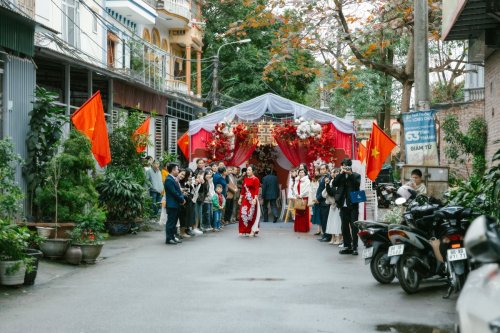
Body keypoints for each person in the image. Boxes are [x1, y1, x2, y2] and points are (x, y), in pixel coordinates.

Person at [332, 158, 361, 255]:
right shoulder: (341, 176)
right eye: (343, 165)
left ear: (350, 166)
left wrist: (350, 173)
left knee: (354, 226)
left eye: (346, 166)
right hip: (343, 205)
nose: (344, 167)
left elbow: (357, 184)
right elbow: (334, 183)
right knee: (344, 227)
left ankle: (355, 247)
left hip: (353, 205)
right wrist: (341, 173)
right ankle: (347, 246)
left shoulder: (356, 175)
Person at [164, 163, 185, 245]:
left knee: (174, 223)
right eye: (177, 169)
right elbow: (174, 193)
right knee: (171, 223)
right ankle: (169, 238)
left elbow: (178, 191)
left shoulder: (173, 179)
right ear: (172, 170)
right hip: (172, 204)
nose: (178, 170)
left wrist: (182, 198)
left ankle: (172, 237)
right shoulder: (169, 179)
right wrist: (181, 199)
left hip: (175, 204)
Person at [238, 165, 261, 237]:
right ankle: (243, 230)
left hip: (252, 200)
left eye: (249, 170)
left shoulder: (256, 179)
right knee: (243, 213)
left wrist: (255, 199)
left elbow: (257, 189)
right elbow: (243, 189)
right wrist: (240, 198)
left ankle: (252, 230)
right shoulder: (245, 179)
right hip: (245, 199)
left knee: (251, 215)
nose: (247, 171)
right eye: (247, 170)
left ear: (253, 171)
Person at [325, 168, 342, 245]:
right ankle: (333, 238)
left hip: (338, 205)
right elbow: (330, 192)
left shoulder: (340, 182)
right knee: (331, 221)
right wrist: (328, 184)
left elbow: (335, 192)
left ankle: (338, 238)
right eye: (333, 172)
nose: (334, 174)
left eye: (336, 172)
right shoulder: (332, 181)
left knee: (337, 222)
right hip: (332, 204)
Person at [178, 168, 196, 238]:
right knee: (183, 218)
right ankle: (181, 232)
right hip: (182, 202)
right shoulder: (180, 181)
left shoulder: (187, 181)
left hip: (188, 201)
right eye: (189, 175)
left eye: (191, 175)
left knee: (187, 217)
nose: (190, 176)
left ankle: (186, 230)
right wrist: (183, 191)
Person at [316, 164, 332, 242]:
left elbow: (325, 191)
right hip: (321, 201)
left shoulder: (328, 177)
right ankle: (324, 234)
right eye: (321, 169)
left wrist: (318, 198)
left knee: (325, 219)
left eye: (323, 169)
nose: (322, 170)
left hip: (325, 201)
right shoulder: (322, 177)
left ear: (327, 169)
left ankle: (327, 236)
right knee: (322, 219)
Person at [294, 168, 311, 233]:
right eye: (300, 172)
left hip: (304, 198)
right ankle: (297, 228)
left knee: (304, 213)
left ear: (305, 173)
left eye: (302, 172)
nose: (301, 173)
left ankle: (304, 228)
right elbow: (295, 188)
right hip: (298, 197)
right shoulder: (297, 180)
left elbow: (307, 190)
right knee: (298, 213)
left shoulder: (307, 180)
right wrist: (296, 194)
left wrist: (301, 195)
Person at [309, 167, 321, 235]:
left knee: (319, 214)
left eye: (317, 171)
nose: (316, 172)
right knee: (316, 214)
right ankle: (318, 229)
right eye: (315, 171)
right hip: (314, 198)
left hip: (318, 199)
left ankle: (321, 230)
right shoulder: (314, 180)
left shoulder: (320, 180)